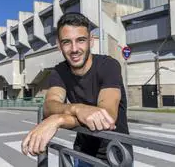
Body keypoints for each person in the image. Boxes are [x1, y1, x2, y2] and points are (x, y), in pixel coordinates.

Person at [21, 12, 133, 166]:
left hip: (115, 154)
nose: (74, 49)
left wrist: (58, 119)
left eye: (80, 40)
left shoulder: (109, 66)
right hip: (82, 151)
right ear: (59, 45)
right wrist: (78, 109)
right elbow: (49, 106)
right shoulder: (59, 71)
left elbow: (107, 117)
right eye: (67, 42)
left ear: (91, 41)